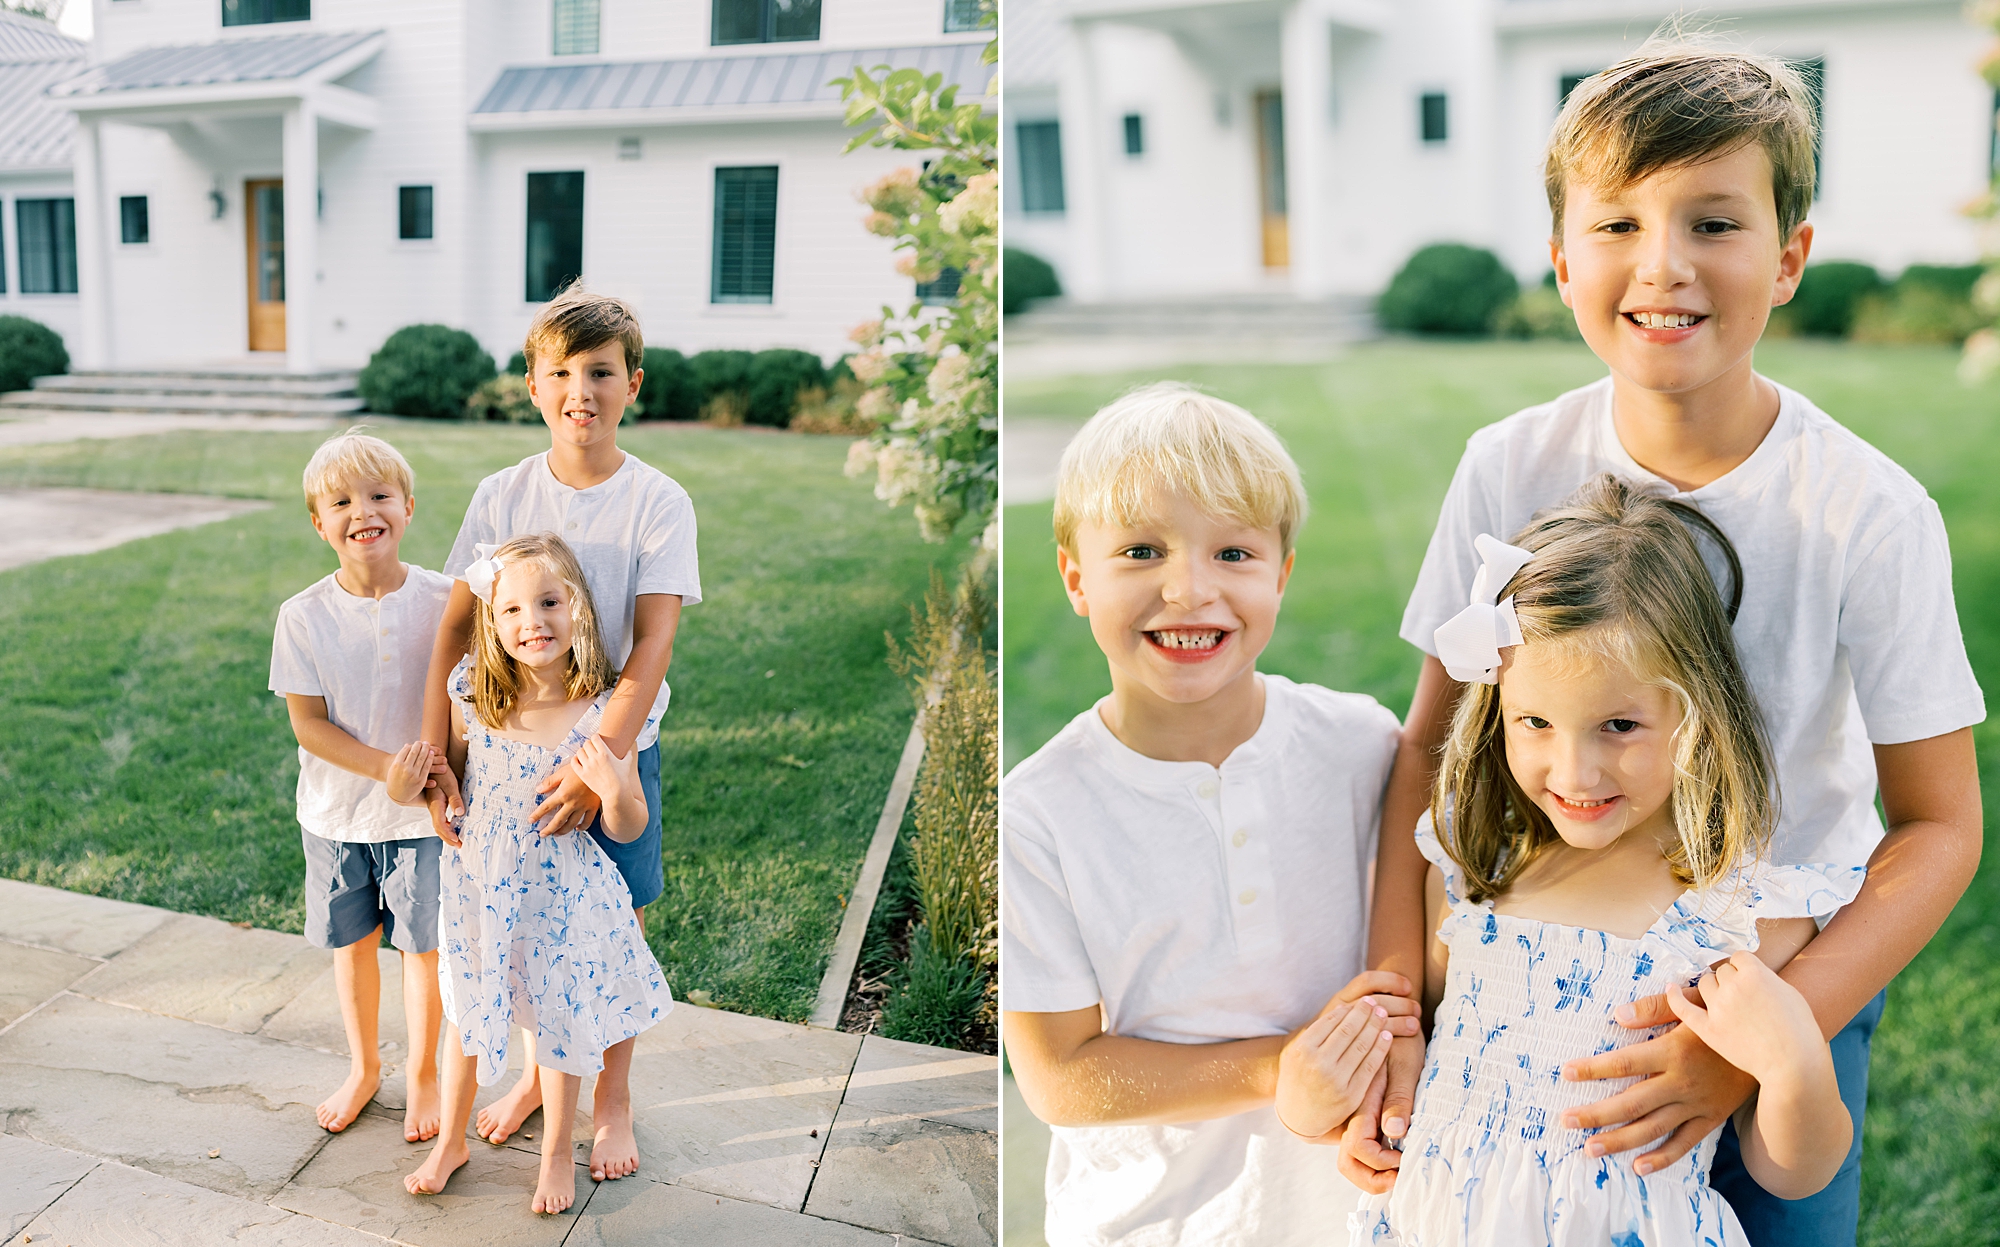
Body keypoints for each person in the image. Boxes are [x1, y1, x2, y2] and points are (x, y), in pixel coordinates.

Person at [1344, 41, 1986, 1246]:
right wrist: (1395, 1010)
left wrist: (1753, 1043)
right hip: (1534, 957)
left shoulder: (1866, 509)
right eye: (1618, 223)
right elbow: (1424, 746)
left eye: (1712, 221)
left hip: (1781, 971)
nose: (1662, 265)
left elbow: (1940, 823)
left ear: (1788, 256)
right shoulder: (1507, 467)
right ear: (1560, 256)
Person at [1351, 475, 1863, 1244]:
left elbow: (1791, 1170)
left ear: (1694, 711)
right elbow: (1416, 1058)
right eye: (1536, 722)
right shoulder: (1470, 879)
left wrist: (1793, 1061)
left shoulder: (1739, 913)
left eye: (1618, 724)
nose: (1575, 772)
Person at [1002, 384, 1422, 1247]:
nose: (1189, 590)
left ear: (1283, 574)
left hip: (1352, 1216)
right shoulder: (1040, 814)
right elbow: (1060, 1078)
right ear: (1077, 578)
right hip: (1151, 1222)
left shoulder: (1361, 745)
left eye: (1233, 552)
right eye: (1143, 551)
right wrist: (1282, 1071)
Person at [419, 284, 700, 1184]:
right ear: (534, 388)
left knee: (608, 932)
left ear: (633, 385)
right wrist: (439, 766)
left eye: (601, 372)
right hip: (506, 753)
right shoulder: (501, 495)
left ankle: (611, 1099)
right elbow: (454, 637)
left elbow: (652, 641)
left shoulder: (658, 501)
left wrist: (600, 763)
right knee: (521, 933)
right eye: (562, 372)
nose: (582, 388)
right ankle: (544, 1078)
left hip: (613, 747)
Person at [404, 533, 673, 1214]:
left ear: (578, 607)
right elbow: (458, 778)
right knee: (467, 1012)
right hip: (482, 893)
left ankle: (556, 1154)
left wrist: (610, 788)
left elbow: (630, 822)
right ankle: (451, 1141)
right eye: (513, 609)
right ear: (492, 623)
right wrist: (438, 791)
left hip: (563, 899)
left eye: (549, 602)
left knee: (557, 1022)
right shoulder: (476, 699)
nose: (534, 622)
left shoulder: (604, 713)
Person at [269, 429, 452, 1143]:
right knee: (354, 947)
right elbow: (308, 726)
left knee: (422, 950)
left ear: (407, 506)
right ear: (320, 523)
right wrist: (386, 770)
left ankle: (426, 1074)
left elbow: (464, 699)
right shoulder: (303, 615)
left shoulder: (444, 600)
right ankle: (365, 1064)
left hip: (421, 824)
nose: (362, 511)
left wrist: (434, 784)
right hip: (337, 815)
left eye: (379, 495)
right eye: (341, 501)